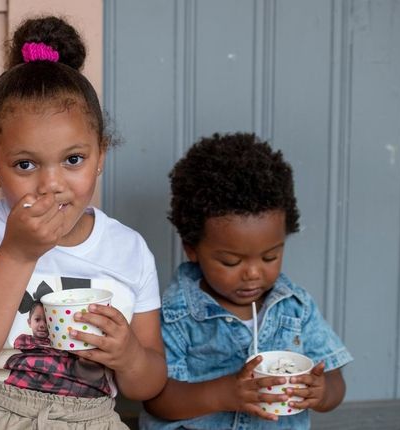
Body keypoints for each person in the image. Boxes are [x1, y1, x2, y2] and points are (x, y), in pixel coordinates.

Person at [0, 15, 167, 429]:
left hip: (92, 418)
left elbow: (150, 384)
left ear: (101, 155)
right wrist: (17, 253)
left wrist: (128, 356)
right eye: (25, 164)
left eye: (74, 160)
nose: (51, 185)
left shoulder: (128, 249)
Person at [140, 133, 353, 429]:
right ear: (192, 248)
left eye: (270, 257)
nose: (253, 273)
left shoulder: (295, 308)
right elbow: (157, 399)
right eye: (231, 262)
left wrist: (321, 391)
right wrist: (225, 393)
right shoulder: (177, 314)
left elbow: (334, 380)